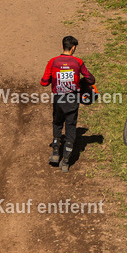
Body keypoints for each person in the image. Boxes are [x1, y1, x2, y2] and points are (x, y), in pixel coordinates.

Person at [41, 35, 95, 173]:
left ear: (63, 46)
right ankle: (65, 161)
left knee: (57, 123)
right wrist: (81, 82)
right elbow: (90, 79)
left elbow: (44, 82)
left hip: (58, 100)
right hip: (72, 101)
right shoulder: (78, 62)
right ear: (73, 48)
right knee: (70, 127)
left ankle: (55, 152)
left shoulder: (53, 62)